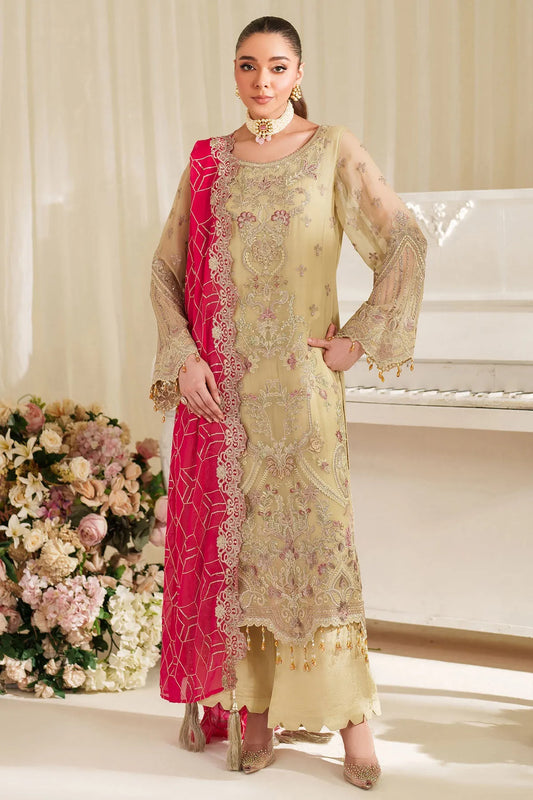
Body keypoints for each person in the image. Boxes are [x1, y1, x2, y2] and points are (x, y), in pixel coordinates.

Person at [149, 15, 427, 790]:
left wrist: (358, 338)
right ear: (233, 74)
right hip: (225, 403)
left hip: (303, 400)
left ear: (298, 73)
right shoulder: (207, 162)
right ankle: (254, 713)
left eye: (276, 66)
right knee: (243, 564)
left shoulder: (330, 148)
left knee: (316, 552)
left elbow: (404, 238)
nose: (261, 80)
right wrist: (185, 358)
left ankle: (351, 724)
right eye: (247, 66)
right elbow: (164, 271)